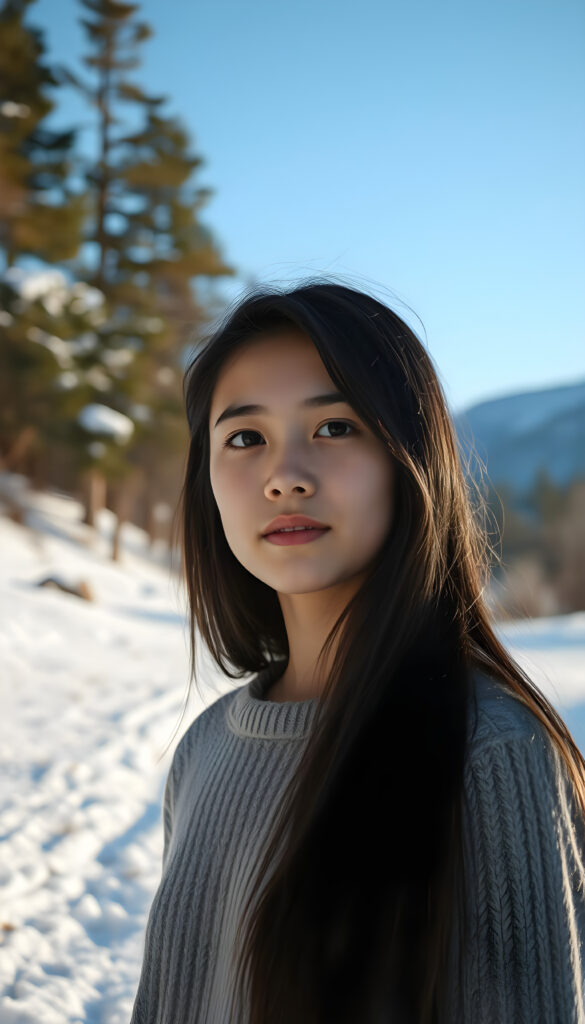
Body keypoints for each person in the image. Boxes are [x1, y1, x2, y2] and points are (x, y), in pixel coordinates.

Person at [130, 281, 585, 1024]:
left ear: (408, 458)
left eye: (335, 428)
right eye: (244, 438)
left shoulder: (487, 753)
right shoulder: (205, 749)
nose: (284, 475)